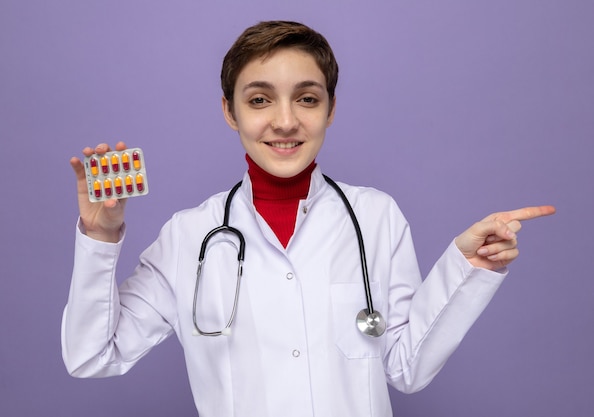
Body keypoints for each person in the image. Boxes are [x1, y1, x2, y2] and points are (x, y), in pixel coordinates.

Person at [62, 20, 555, 417]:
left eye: (307, 98)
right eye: (259, 99)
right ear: (230, 112)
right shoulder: (189, 236)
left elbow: (408, 369)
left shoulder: (375, 216)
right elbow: (90, 356)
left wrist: (468, 266)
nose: (284, 121)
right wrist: (100, 237)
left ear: (330, 109)